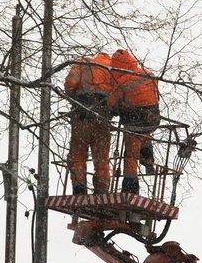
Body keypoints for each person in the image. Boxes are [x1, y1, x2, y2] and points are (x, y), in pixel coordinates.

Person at [64, 52, 117, 195]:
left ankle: (79, 187)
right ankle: (102, 189)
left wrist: (74, 97)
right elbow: (117, 96)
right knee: (101, 157)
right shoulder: (113, 69)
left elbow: (70, 84)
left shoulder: (83, 63)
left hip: (82, 116)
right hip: (103, 119)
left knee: (78, 153)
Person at [111, 49, 160, 194]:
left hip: (134, 121)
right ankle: (148, 158)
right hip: (152, 118)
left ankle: (130, 188)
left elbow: (112, 103)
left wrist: (113, 110)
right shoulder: (149, 75)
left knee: (130, 155)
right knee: (144, 134)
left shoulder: (122, 81)